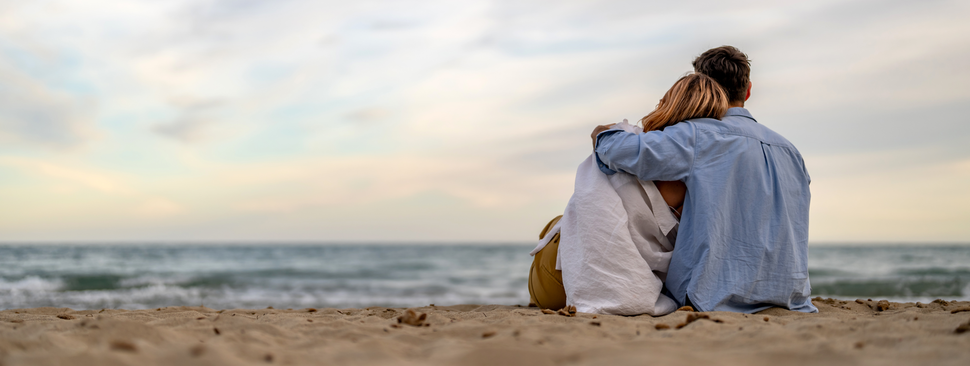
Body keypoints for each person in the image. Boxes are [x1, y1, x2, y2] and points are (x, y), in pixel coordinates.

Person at [591, 46, 817, 313]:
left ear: (705, 87)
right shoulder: (790, 151)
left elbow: (621, 152)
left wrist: (603, 134)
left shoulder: (698, 136)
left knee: (601, 171)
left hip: (713, 298)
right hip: (790, 299)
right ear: (748, 91)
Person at [528, 73, 730, 315]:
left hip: (561, 276)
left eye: (663, 101)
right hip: (638, 279)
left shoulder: (633, 143)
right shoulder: (713, 173)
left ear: (671, 105)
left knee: (559, 223)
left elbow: (600, 137)